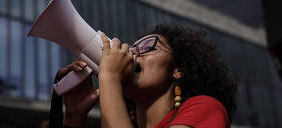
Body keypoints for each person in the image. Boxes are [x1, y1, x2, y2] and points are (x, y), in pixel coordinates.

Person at [51, 24, 237, 128]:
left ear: (177, 70)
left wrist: (109, 77)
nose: (132, 53)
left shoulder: (205, 108)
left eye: (148, 46)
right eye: (132, 48)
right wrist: (74, 116)